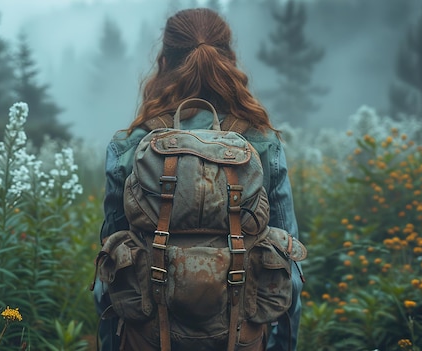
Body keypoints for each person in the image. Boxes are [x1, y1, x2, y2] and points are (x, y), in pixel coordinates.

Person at [93, 7, 303, 351]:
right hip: (242, 338)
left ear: (163, 63)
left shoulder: (129, 146)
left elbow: (110, 269)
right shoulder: (262, 142)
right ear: (230, 59)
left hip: (148, 338)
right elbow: (288, 272)